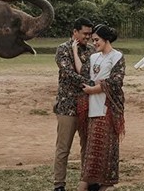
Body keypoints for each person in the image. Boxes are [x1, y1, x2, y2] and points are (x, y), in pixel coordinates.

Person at [74, 24, 125, 191]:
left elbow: (115, 82)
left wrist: (95, 88)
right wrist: (75, 52)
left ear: (106, 39)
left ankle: (104, 184)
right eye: (93, 40)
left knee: (107, 151)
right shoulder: (94, 57)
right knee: (92, 154)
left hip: (108, 111)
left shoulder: (117, 57)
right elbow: (84, 74)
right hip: (92, 110)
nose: (94, 43)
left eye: (97, 40)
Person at [53, 17, 96, 191]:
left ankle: (87, 181)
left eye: (90, 34)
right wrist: (93, 84)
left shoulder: (93, 50)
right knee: (63, 148)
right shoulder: (63, 50)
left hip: (88, 104)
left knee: (87, 146)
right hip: (67, 105)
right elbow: (69, 73)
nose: (88, 37)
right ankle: (59, 184)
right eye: (85, 33)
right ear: (75, 32)